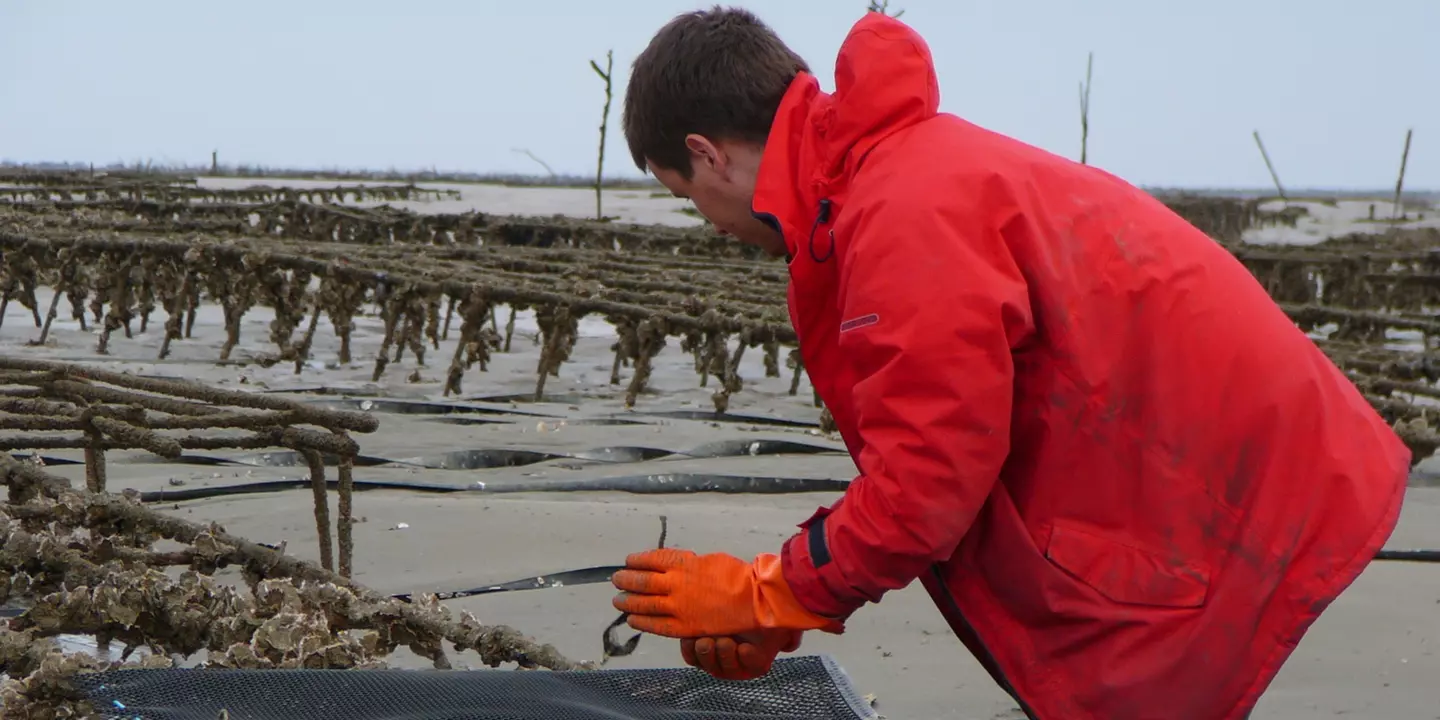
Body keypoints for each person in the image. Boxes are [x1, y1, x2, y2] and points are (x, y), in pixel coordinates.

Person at [608, 6, 1412, 719]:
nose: (707, 224)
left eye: (686, 197)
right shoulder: (890, 175)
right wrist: (782, 607)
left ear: (707, 154)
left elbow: (927, 480)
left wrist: (773, 592)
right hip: (1207, 475)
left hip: (1233, 492)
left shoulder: (899, 211)